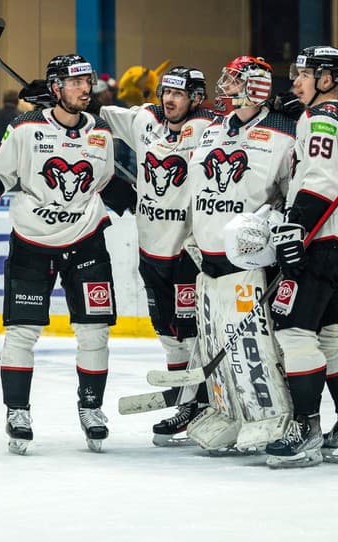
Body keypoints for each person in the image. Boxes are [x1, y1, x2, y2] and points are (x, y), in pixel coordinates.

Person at [0, 54, 132, 455]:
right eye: (74, 83)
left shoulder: (101, 133)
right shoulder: (24, 128)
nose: (84, 89)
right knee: (22, 331)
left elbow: (105, 180)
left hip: (86, 239)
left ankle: (91, 408)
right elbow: (1, 174)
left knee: (95, 330)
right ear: (55, 88)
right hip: (33, 241)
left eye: (86, 82)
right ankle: (17, 410)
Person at [265, 46, 338, 468]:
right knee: (330, 333)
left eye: (304, 74)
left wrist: (297, 230)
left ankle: (304, 428)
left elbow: (320, 182)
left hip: (320, 240)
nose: (294, 81)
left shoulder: (321, 118)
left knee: (293, 331)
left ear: (327, 79)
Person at [185, 56, 298, 452]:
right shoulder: (212, 130)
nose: (225, 85)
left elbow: (294, 196)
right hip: (207, 254)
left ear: (256, 85)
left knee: (250, 343)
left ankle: (269, 414)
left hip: (249, 260)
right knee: (214, 342)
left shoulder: (285, 132)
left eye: (234, 79)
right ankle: (226, 411)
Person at [98, 66, 215, 445]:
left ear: (195, 98)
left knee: (193, 332)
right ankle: (187, 398)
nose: (169, 99)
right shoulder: (145, 119)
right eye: (167, 91)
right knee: (166, 330)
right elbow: (96, 116)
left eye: (179, 94)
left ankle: (200, 402)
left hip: (188, 250)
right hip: (150, 248)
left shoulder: (211, 129)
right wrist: (55, 101)